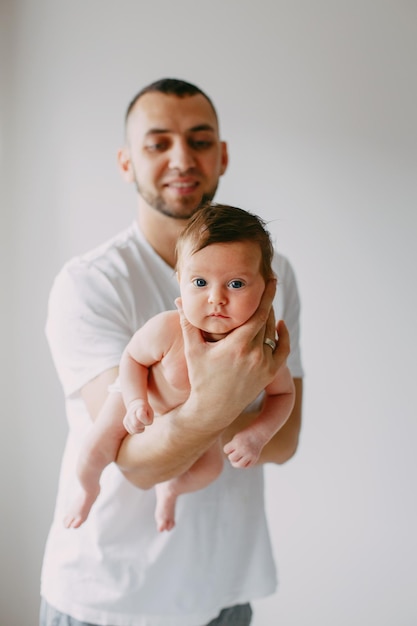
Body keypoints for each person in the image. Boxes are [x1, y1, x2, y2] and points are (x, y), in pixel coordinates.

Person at [40, 78, 304, 626]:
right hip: (111, 597)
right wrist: (219, 403)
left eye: (200, 140)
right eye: (157, 143)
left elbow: (283, 443)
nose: (182, 158)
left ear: (222, 155)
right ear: (126, 162)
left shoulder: (269, 280)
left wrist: (241, 426)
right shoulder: (91, 283)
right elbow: (133, 461)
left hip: (224, 588)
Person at [63, 204, 296, 533]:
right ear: (180, 281)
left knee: (210, 469)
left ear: (267, 287)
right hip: (140, 403)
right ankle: (88, 492)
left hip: (196, 433)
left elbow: (284, 394)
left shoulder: (260, 353)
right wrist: (134, 401)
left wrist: (257, 436)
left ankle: (171, 490)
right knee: (93, 449)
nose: (216, 298)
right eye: (200, 281)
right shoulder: (167, 329)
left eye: (236, 284)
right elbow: (132, 360)